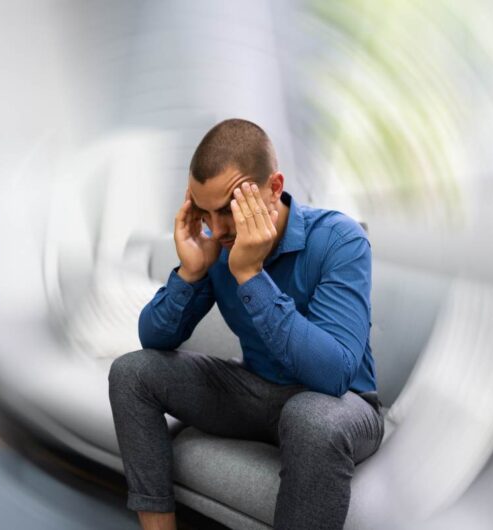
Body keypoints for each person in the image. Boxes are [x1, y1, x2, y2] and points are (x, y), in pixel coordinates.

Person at [108, 118, 384, 530]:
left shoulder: (340, 240)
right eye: (204, 212)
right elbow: (154, 337)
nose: (217, 229)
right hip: (255, 391)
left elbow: (334, 375)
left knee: (310, 418)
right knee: (131, 373)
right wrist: (190, 272)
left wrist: (251, 275)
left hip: (342, 404)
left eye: (227, 210)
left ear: (274, 187)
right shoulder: (216, 245)